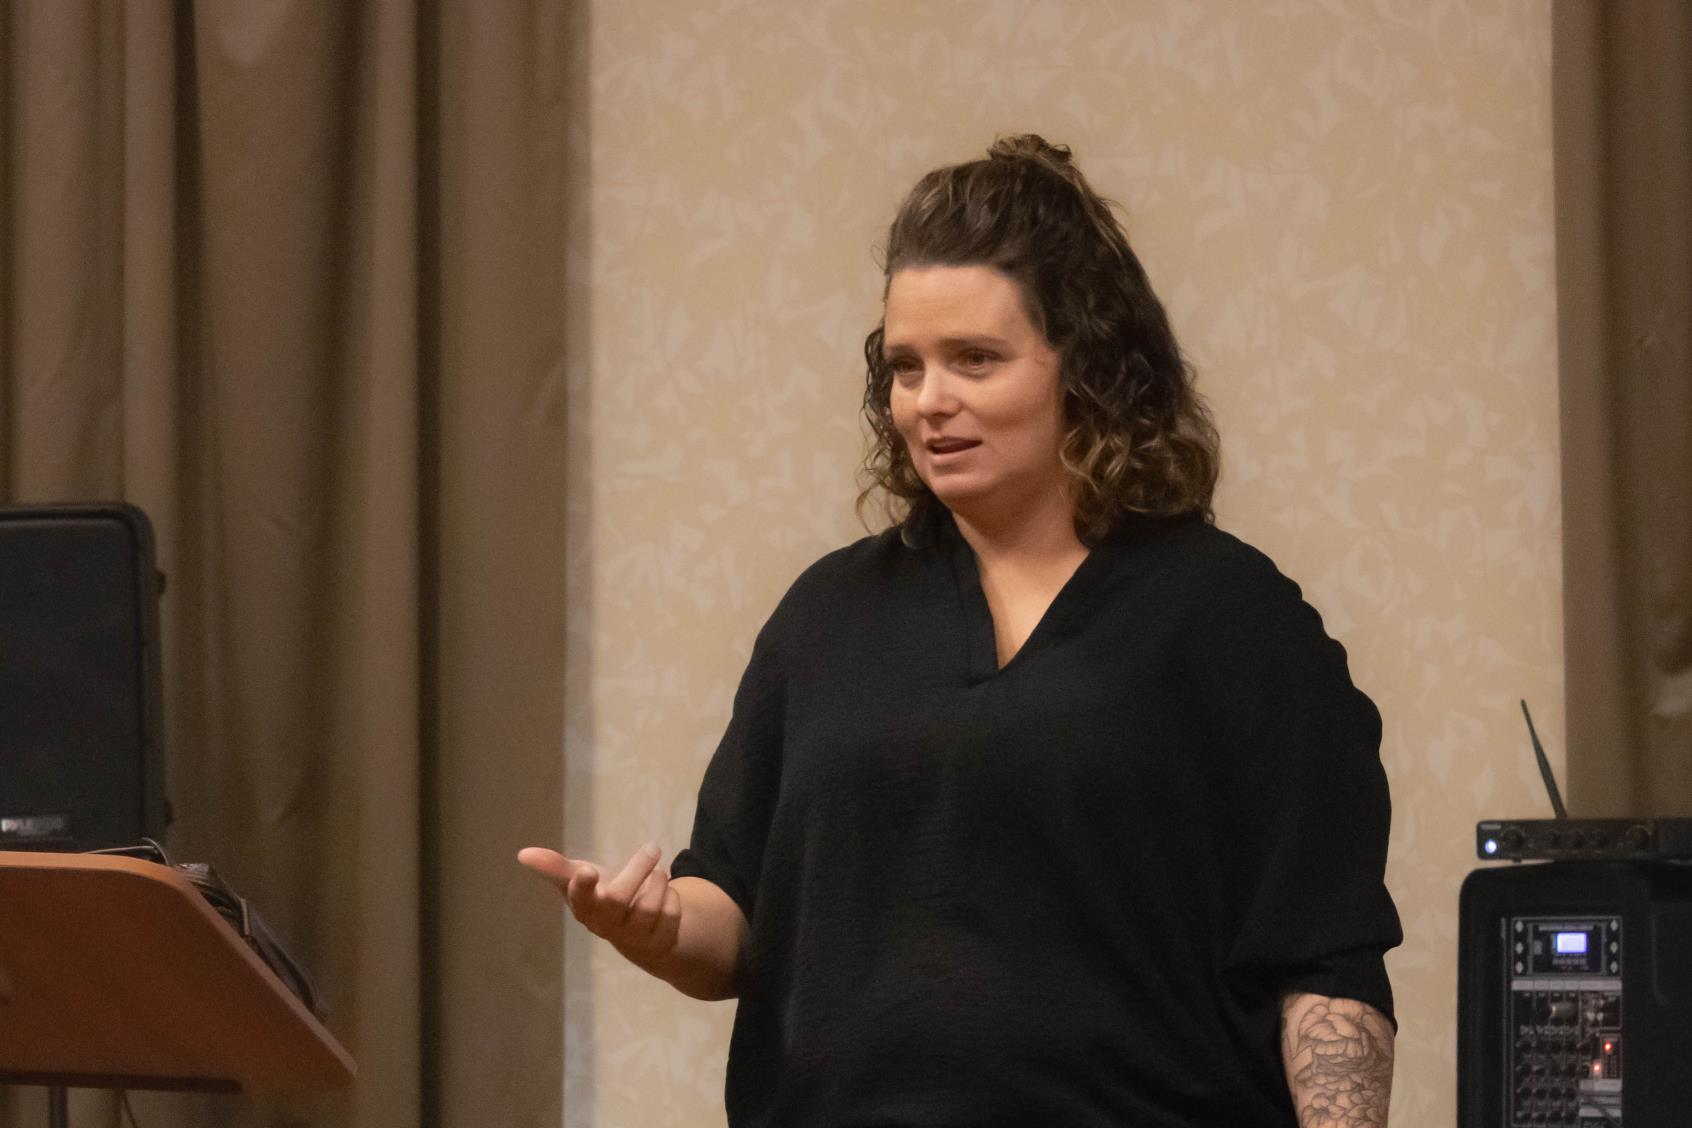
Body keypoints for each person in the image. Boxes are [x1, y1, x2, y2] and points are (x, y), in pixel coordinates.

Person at [520, 134, 1401, 1127]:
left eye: (975, 360)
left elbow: (1324, 958)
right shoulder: (823, 619)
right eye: (906, 367)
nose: (930, 402)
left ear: (1087, 368)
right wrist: (657, 928)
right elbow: (732, 915)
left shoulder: (1233, 617)